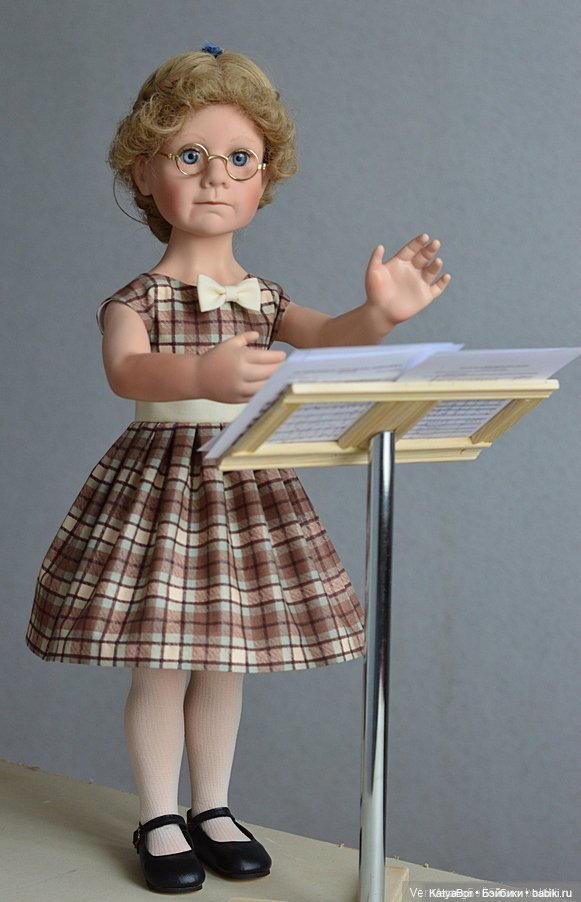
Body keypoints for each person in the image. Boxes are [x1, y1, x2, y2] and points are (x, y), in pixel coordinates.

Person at [26, 44, 451, 894]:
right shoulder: (137, 298)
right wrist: (199, 373)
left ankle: (211, 807)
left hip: (246, 483)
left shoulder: (262, 298)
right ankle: (158, 815)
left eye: (239, 159)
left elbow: (325, 337)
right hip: (160, 485)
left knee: (225, 656)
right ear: (144, 172)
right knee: (162, 657)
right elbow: (126, 370)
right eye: (189, 155)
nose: (216, 176)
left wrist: (378, 315)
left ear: (264, 178)